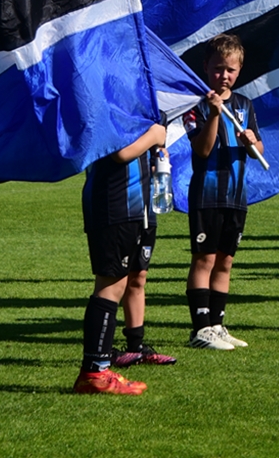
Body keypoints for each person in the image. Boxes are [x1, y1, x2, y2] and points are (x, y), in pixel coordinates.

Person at [74, 122, 173, 395]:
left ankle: (100, 369)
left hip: (135, 206)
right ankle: (94, 372)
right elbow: (120, 152)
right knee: (110, 286)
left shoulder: (134, 109)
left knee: (119, 284)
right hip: (114, 204)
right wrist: (154, 135)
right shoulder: (111, 106)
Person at [184, 34, 263, 350]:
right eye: (218, 69)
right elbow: (202, 150)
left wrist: (251, 142)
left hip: (236, 195)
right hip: (207, 195)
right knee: (204, 259)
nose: (224, 76)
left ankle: (217, 324)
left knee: (225, 261)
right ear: (206, 67)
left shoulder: (244, 105)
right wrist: (215, 114)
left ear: (239, 70)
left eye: (230, 70)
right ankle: (200, 329)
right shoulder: (197, 106)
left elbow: (259, 151)